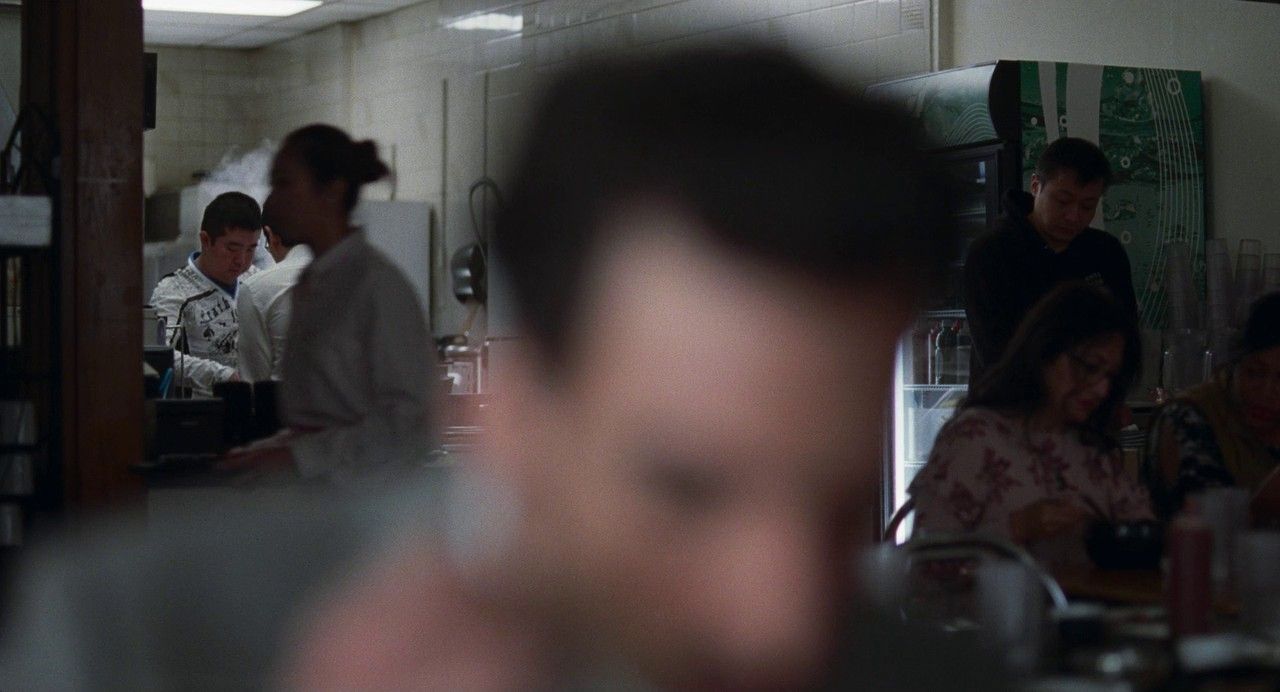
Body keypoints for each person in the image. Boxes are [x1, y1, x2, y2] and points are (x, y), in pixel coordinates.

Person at [0, 48, 997, 690]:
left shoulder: (921, 673)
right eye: (686, 487)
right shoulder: (142, 632)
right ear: (513, 412)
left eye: (833, 495)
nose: (780, 621)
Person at [220, 125, 432, 486]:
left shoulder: (375, 284)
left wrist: (297, 455)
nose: (271, 202)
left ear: (332, 192)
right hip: (321, 505)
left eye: (285, 183)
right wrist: (272, 449)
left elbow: (412, 424)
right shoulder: (313, 283)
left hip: (369, 511)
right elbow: (321, 417)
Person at [910, 282, 1152, 568]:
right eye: (1089, 367)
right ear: (1045, 351)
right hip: (990, 611)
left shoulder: (1089, 446)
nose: (1101, 389)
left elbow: (1140, 526)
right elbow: (925, 561)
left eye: (1110, 377)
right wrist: (1016, 527)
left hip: (1085, 608)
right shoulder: (975, 438)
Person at [964, 137, 1138, 382]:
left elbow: (1125, 337)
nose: (1073, 216)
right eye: (1062, 201)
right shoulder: (992, 253)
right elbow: (997, 354)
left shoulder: (1105, 252)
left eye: (1088, 206)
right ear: (1036, 186)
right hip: (1011, 409)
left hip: (1091, 405)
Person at [1143, 292, 1280, 519]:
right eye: (1255, 373)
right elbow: (1201, 524)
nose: (1266, 391)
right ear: (1236, 363)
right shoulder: (1187, 417)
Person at [149, 191, 262, 396]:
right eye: (232, 248)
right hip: (206, 412)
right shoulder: (174, 291)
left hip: (256, 406)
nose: (242, 260)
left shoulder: (257, 282)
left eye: (251, 249)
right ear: (205, 240)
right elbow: (158, 355)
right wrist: (223, 376)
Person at [236, 224, 312, 382]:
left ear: (272, 236)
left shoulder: (256, 288)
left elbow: (256, 381)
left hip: (286, 403)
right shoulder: (359, 277)